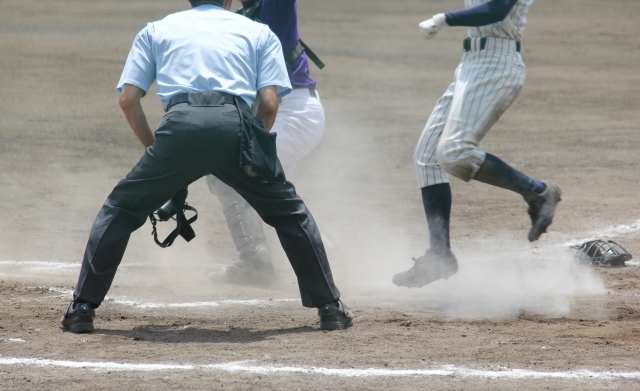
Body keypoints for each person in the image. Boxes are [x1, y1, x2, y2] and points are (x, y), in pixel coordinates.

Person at [60, 0, 352, 333]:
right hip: (237, 124)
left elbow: (128, 100)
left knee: (121, 209)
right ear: (229, 1)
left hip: (178, 126)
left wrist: (156, 151)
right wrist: (252, 148)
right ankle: (330, 308)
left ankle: (82, 308)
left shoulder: (156, 29)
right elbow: (270, 103)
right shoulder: (258, 31)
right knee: (288, 212)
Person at [392, 0, 562, 288]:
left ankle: (539, 192)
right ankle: (439, 255)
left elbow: (497, 9)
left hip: (497, 66)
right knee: (427, 157)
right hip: (471, 65)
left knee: (454, 153)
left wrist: (443, 18)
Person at [205, 0, 326, 286]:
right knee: (269, 196)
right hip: (275, 112)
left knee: (231, 176)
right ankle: (332, 256)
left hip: (292, 112)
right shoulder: (238, 16)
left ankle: (255, 263)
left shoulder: (274, 4)